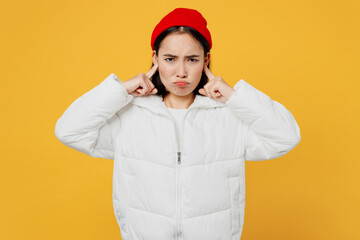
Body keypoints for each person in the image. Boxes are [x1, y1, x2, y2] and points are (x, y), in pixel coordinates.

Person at [55, 7, 301, 240]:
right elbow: (68, 130)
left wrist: (234, 96)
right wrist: (120, 90)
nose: (181, 72)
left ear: (206, 61)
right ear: (155, 59)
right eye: (170, 59)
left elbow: (286, 137)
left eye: (192, 60)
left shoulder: (229, 117)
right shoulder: (129, 117)